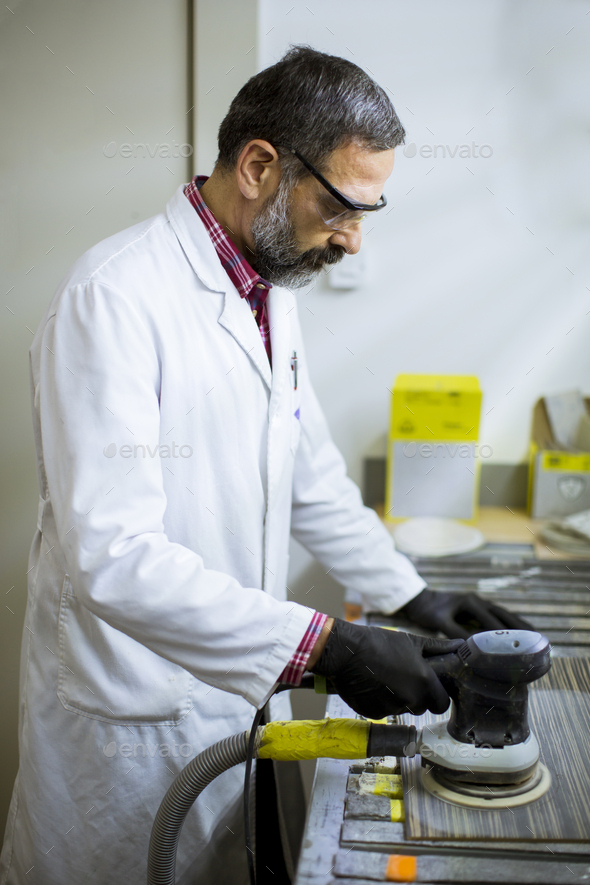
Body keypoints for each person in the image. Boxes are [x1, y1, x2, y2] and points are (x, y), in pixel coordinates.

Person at [0, 46, 530, 885]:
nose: (354, 240)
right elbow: (114, 556)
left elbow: (306, 472)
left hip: (226, 709)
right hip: (126, 728)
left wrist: (407, 593)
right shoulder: (112, 299)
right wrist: (328, 646)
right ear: (258, 167)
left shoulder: (269, 287)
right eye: (342, 207)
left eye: (370, 211)